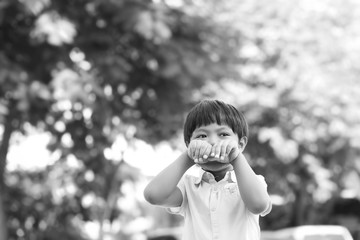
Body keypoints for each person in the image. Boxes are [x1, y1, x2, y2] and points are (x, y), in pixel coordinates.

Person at [144, 99, 272, 240]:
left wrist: (236, 157)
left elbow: (258, 205)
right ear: (189, 144)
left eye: (223, 134)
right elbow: (153, 195)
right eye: (202, 136)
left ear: (240, 144)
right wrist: (188, 157)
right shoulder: (188, 186)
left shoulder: (253, 181)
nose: (212, 141)